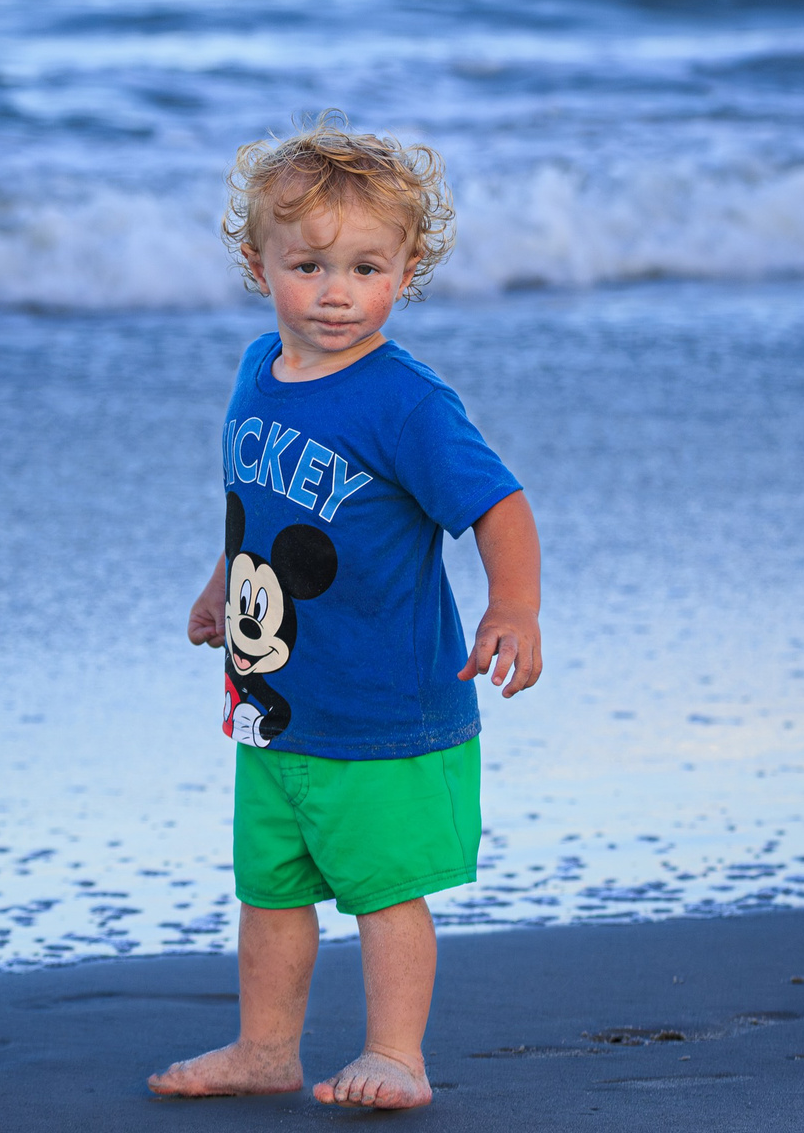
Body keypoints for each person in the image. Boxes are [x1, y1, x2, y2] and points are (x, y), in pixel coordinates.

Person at [150, 119, 545, 1111]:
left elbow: (498, 502)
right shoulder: (255, 373)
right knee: (270, 888)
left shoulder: (404, 401)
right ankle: (264, 1046)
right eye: (310, 264)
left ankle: (396, 1053)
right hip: (274, 702)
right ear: (257, 263)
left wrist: (514, 605)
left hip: (382, 703)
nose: (337, 291)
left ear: (406, 270)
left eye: (366, 266)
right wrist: (219, 584)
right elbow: (258, 504)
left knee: (381, 887)